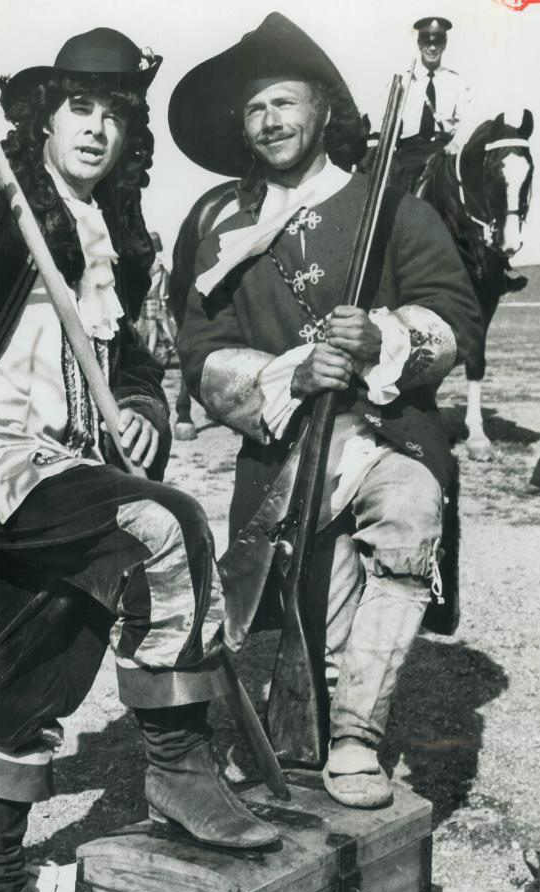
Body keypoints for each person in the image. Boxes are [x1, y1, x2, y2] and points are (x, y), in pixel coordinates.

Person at [0, 27, 278, 892]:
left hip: (80, 465)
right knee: (166, 521)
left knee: (34, 663)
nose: (97, 129)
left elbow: (130, 365)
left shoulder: (125, 240)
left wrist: (138, 412)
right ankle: (176, 764)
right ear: (43, 118)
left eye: (115, 116)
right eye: (79, 109)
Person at [171, 13, 482, 810]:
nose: (271, 121)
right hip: (282, 450)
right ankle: (289, 741)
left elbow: (452, 314)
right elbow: (201, 348)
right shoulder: (216, 223)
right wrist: (292, 371)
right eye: (255, 109)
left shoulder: (395, 211)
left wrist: (381, 337)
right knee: (300, 607)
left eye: (285, 102)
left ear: (321, 112)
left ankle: (354, 735)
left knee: (410, 512)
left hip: (385, 437)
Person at [396, 16, 473, 192]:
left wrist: (456, 143)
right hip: (411, 151)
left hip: (443, 150)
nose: (432, 48)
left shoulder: (456, 81)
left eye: (437, 43)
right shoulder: (405, 80)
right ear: (419, 44)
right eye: (426, 42)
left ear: (444, 45)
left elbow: (467, 119)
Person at [136, 231, 177, 366]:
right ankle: (155, 352)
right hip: (155, 298)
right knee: (155, 326)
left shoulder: (148, 261)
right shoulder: (158, 259)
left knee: (150, 327)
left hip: (149, 297)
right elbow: (162, 276)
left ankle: (150, 354)